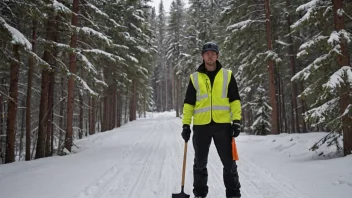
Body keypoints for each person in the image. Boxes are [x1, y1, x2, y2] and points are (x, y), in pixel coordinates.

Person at [181, 42, 242, 198]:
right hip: (201, 126)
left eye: (213, 53)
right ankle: (200, 194)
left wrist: (236, 121)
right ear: (202, 56)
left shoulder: (227, 75)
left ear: (217, 56)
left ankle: (234, 194)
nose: (210, 55)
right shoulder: (194, 78)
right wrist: (186, 124)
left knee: (229, 163)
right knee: (200, 163)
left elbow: (234, 99)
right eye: (207, 53)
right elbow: (189, 103)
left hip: (223, 126)